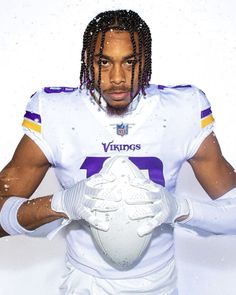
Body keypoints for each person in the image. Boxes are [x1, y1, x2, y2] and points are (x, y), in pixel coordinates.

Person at [0, 9, 235, 295]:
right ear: (87, 60)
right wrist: (60, 203)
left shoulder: (181, 110)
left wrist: (180, 209)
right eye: (104, 62)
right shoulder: (57, 113)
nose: (118, 78)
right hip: (85, 285)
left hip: (161, 285)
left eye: (130, 61)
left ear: (146, 61)